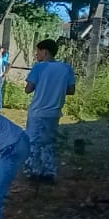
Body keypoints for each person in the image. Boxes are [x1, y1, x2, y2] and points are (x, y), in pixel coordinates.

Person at [23, 39, 77, 182]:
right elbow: (71, 90)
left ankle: (33, 171)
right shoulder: (66, 68)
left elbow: (28, 89)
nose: (36, 54)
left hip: (38, 111)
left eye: (38, 51)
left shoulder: (39, 68)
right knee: (49, 142)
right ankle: (48, 172)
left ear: (45, 51)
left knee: (33, 141)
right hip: (54, 112)